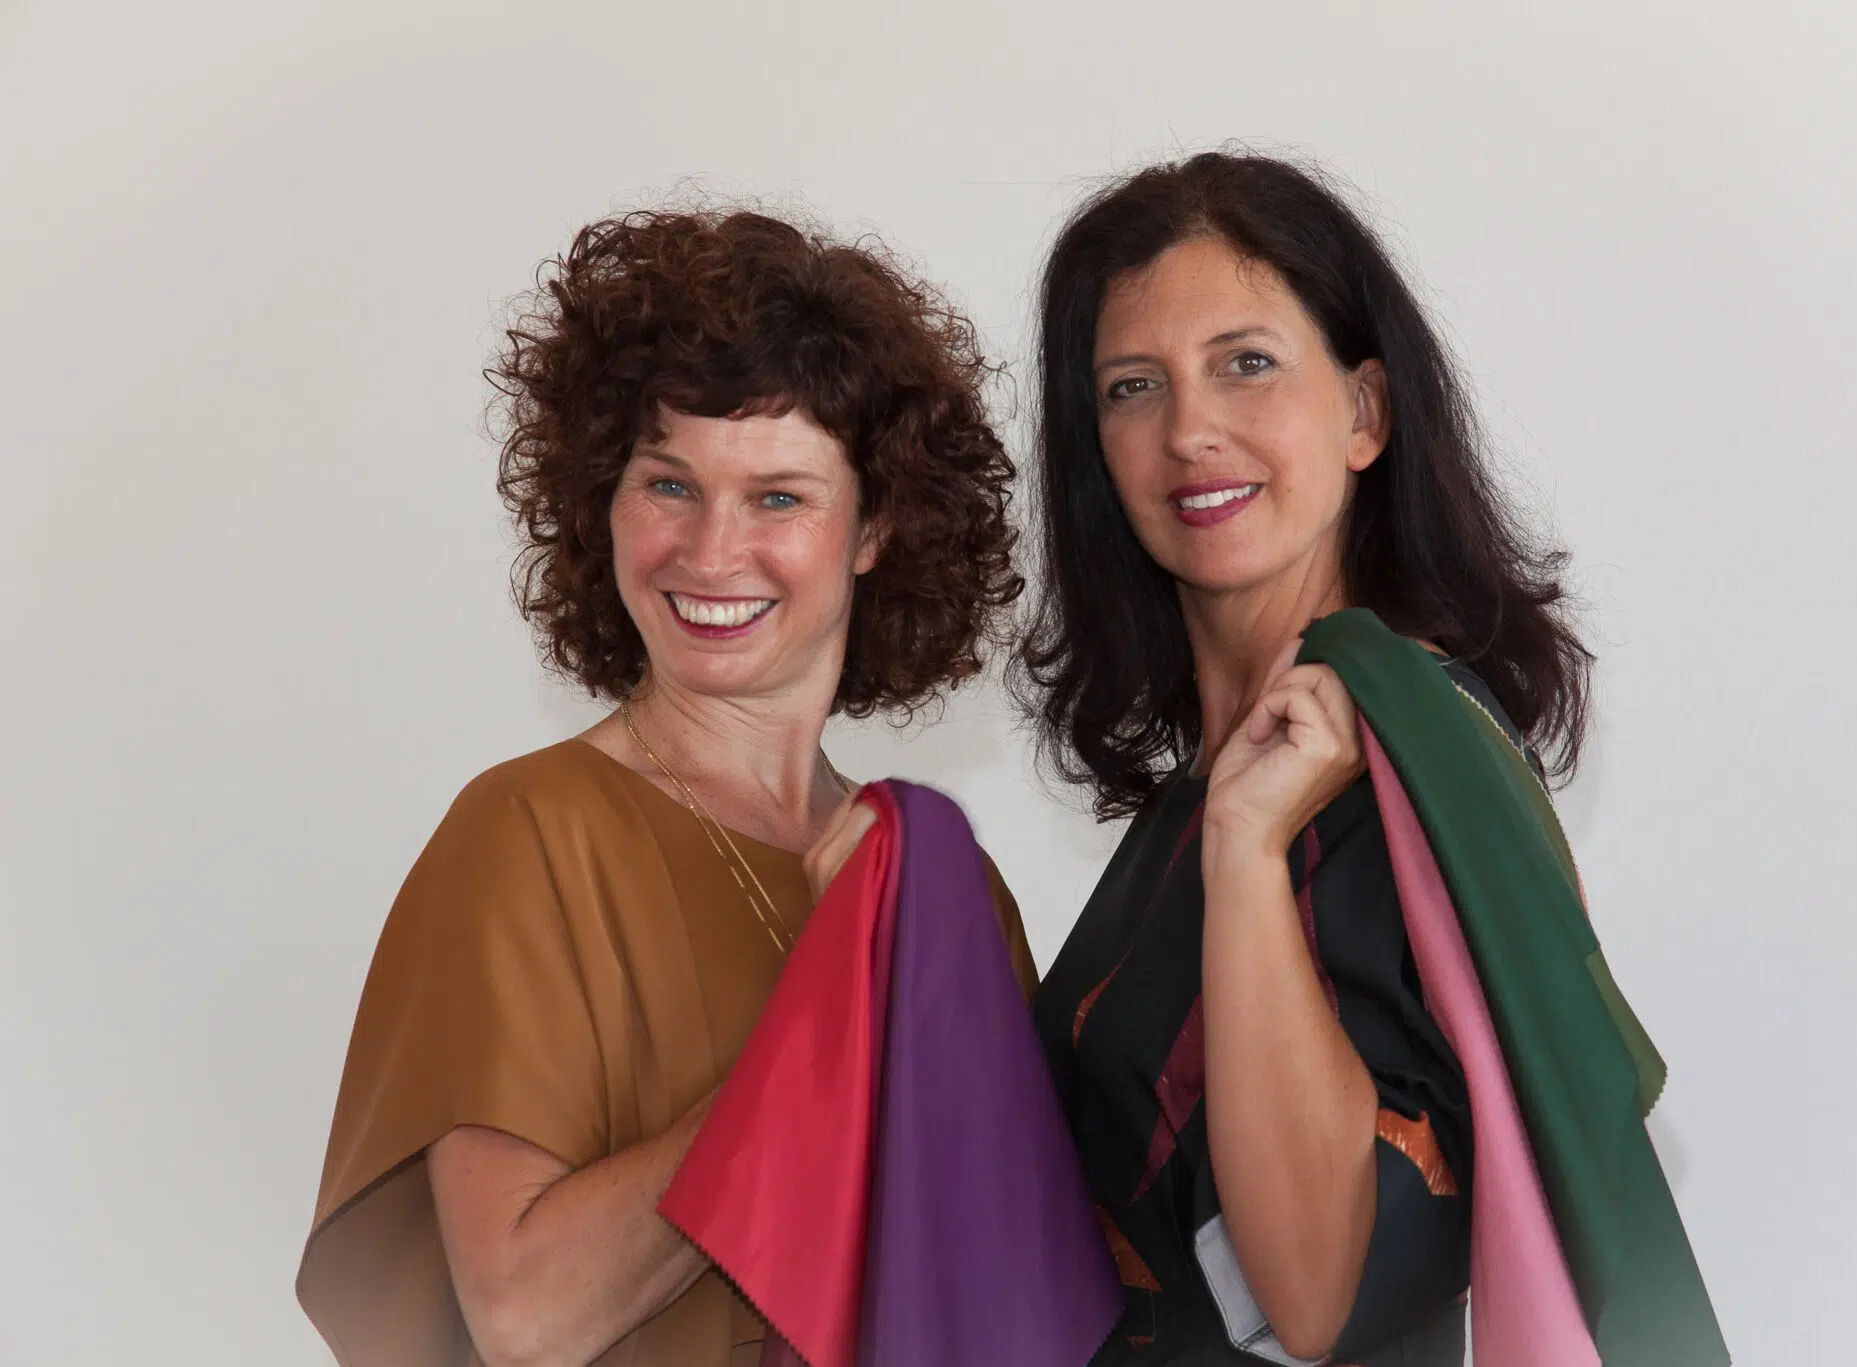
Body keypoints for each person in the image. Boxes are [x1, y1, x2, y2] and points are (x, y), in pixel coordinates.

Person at [1018, 151, 1723, 1366]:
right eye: (1132, 387)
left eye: (1246, 362)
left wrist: (1249, 851)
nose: (1189, 430)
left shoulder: (1396, 766)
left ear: (1364, 414)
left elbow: (1315, 1295)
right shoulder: (1210, 787)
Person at [297, 205, 1034, 1367]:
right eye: (669, 484)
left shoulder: (945, 885)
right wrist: (825, 1018)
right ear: (602, 495)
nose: (710, 551)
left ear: (874, 527)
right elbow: (527, 1317)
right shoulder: (530, 833)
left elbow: (1003, 1287)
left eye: (779, 496)